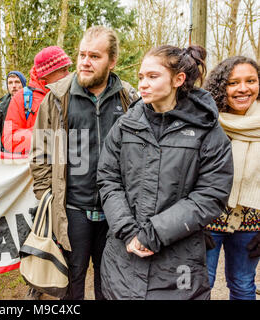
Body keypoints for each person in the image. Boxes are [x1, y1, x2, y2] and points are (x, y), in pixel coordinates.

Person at [96, 45, 234, 300]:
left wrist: (154, 234)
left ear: (178, 80)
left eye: (152, 76)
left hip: (178, 262)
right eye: (140, 77)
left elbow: (211, 194)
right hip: (122, 259)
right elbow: (108, 179)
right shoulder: (125, 125)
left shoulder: (207, 131)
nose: (143, 84)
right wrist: (128, 231)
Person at [29, 26, 138, 300]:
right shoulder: (56, 98)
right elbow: (40, 154)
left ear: (112, 61)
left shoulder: (129, 99)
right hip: (72, 209)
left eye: (95, 56)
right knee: (71, 282)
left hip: (116, 210)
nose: (85, 62)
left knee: (110, 281)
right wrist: (49, 200)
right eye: (82, 55)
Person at [203, 56, 260, 300]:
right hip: (208, 220)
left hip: (252, 222)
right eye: (233, 82)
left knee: (243, 285)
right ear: (220, 86)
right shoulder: (207, 121)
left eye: (251, 81)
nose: (243, 88)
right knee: (201, 284)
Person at [2, 46, 72, 155]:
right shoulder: (21, 98)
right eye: (63, 70)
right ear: (47, 74)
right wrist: (45, 135)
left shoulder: (69, 93)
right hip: (36, 167)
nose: (68, 75)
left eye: (68, 69)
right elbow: (9, 140)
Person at [0, 71, 26, 145]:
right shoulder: (0, 108)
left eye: (17, 82)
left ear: (23, 84)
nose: (14, 86)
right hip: (7, 152)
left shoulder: (31, 103)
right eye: (10, 83)